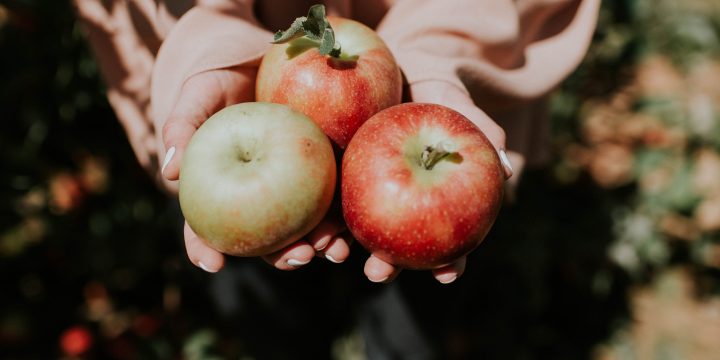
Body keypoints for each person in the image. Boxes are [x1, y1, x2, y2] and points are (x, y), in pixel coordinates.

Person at [74, 0, 599, 285]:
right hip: (241, 132)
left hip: (422, 113)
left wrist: (435, 64)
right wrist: (216, 46)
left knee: (416, 317)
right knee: (257, 299)